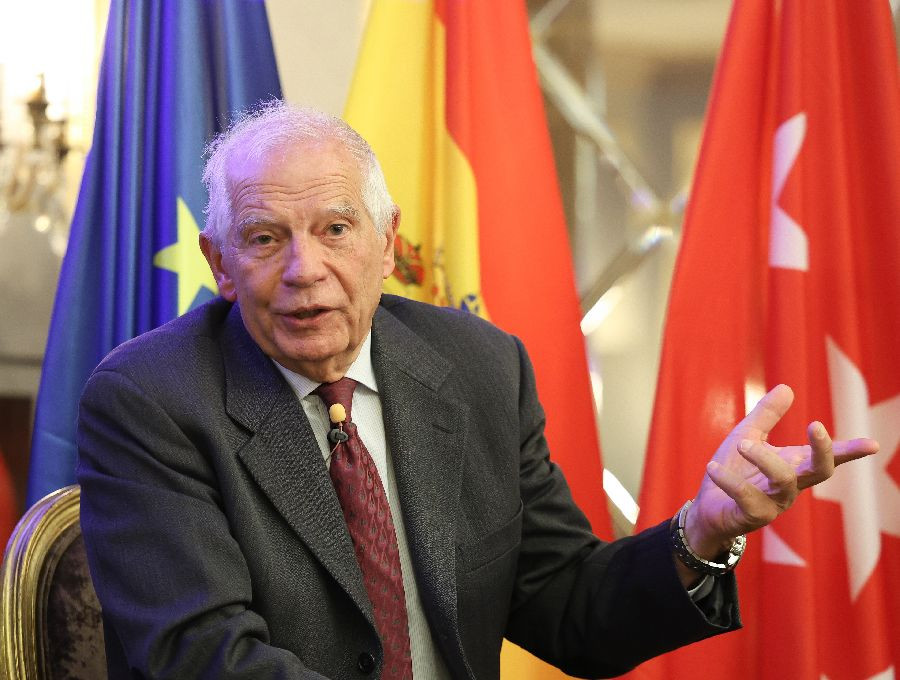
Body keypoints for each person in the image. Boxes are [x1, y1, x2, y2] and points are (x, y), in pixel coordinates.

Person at [76, 101, 878, 680]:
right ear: (219, 264)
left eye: (335, 230)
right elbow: (203, 656)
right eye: (264, 239)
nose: (304, 269)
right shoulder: (151, 399)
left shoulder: (479, 367)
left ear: (388, 244)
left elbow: (567, 606)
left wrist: (701, 531)